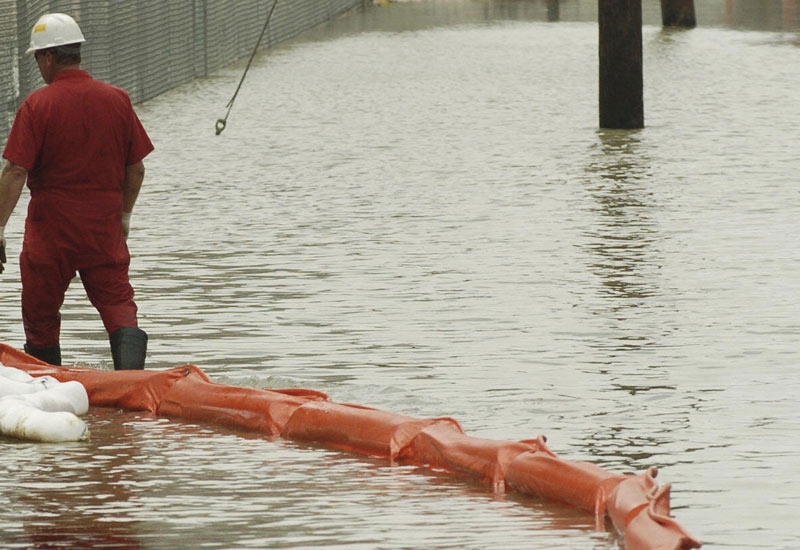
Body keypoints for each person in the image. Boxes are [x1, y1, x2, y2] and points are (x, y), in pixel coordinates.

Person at [0, 13, 153, 369]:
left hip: (51, 229)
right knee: (118, 305)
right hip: (103, 227)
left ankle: (46, 388)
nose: (38, 65)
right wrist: (125, 216)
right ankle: (132, 390)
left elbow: (15, 171)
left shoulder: (37, 106)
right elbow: (137, 168)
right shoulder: (117, 100)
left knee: (40, 315)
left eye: (38, 57)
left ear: (49, 57)